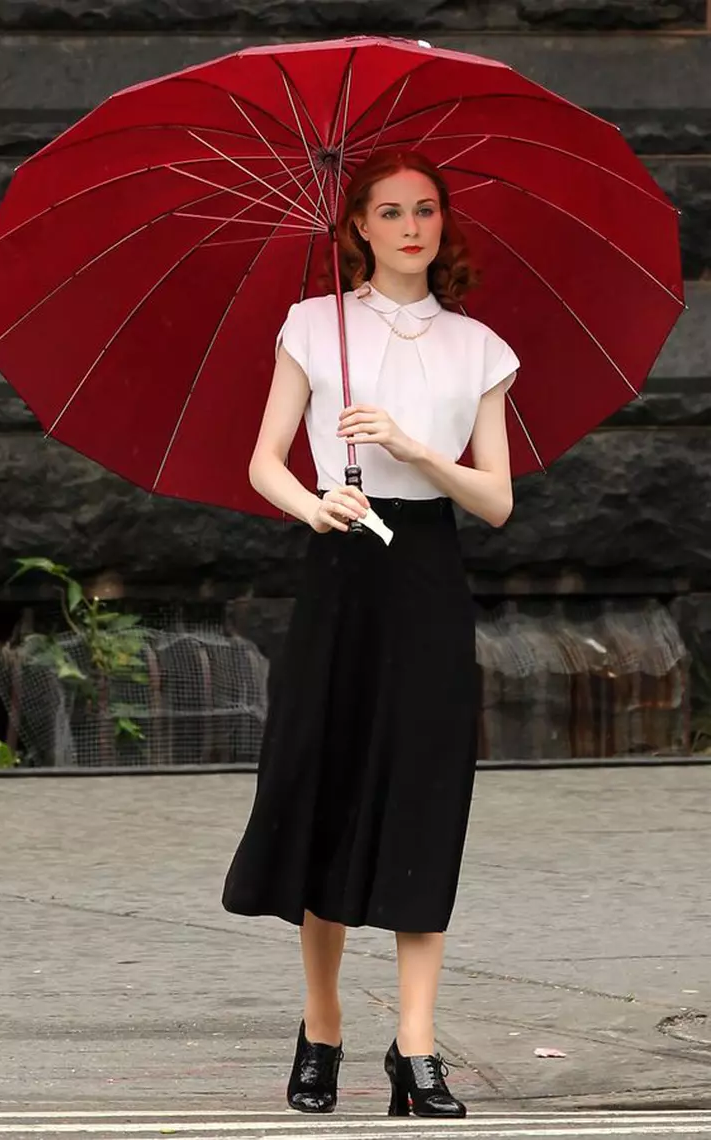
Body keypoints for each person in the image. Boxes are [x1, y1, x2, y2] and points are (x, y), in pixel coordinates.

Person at [222, 147, 519, 1119]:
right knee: (329, 786)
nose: (408, 226)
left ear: (442, 224)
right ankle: (320, 1026)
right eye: (388, 211)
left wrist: (411, 447)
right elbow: (264, 460)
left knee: (426, 794)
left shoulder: (477, 347)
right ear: (354, 227)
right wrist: (314, 507)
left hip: (427, 571)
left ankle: (416, 1050)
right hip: (341, 566)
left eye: (424, 209)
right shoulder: (314, 327)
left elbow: (496, 501)